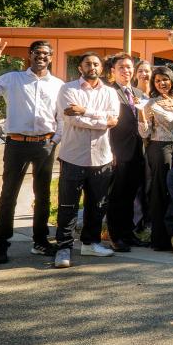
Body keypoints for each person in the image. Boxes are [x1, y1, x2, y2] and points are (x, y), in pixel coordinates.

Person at [0, 39, 64, 264]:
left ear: (51, 57)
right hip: (16, 144)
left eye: (46, 53)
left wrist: (55, 139)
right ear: (30, 55)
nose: (41, 57)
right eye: (37, 52)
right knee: (9, 195)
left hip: (45, 144)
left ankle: (40, 241)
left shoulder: (57, 84)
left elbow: (62, 116)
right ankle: (0, 246)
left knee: (43, 195)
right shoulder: (12, 79)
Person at [53, 53, 120, 268]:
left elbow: (113, 120)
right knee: (67, 204)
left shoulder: (110, 92)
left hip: (101, 157)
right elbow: (73, 119)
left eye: (96, 63)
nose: (92, 66)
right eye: (88, 63)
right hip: (73, 156)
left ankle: (90, 243)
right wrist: (99, 118)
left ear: (101, 68)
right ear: (80, 67)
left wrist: (85, 111)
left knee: (97, 204)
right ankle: (63, 247)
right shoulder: (68, 89)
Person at [138, 66, 173, 250]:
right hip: (159, 148)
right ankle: (159, 239)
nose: (162, 83)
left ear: (172, 80)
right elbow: (145, 132)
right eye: (158, 81)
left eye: (165, 79)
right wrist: (141, 114)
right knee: (161, 191)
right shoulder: (150, 103)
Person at [106, 53, 149, 252]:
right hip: (117, 152)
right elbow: (106, 125)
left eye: (129, 67)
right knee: (117, 196)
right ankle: (116, 236)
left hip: (137, 153)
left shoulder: (138, 94)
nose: (126, 71)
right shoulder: (109, 92)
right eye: (121, 67)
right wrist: (109, 151)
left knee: (131, 195)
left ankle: (128, 233)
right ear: (113, 71)